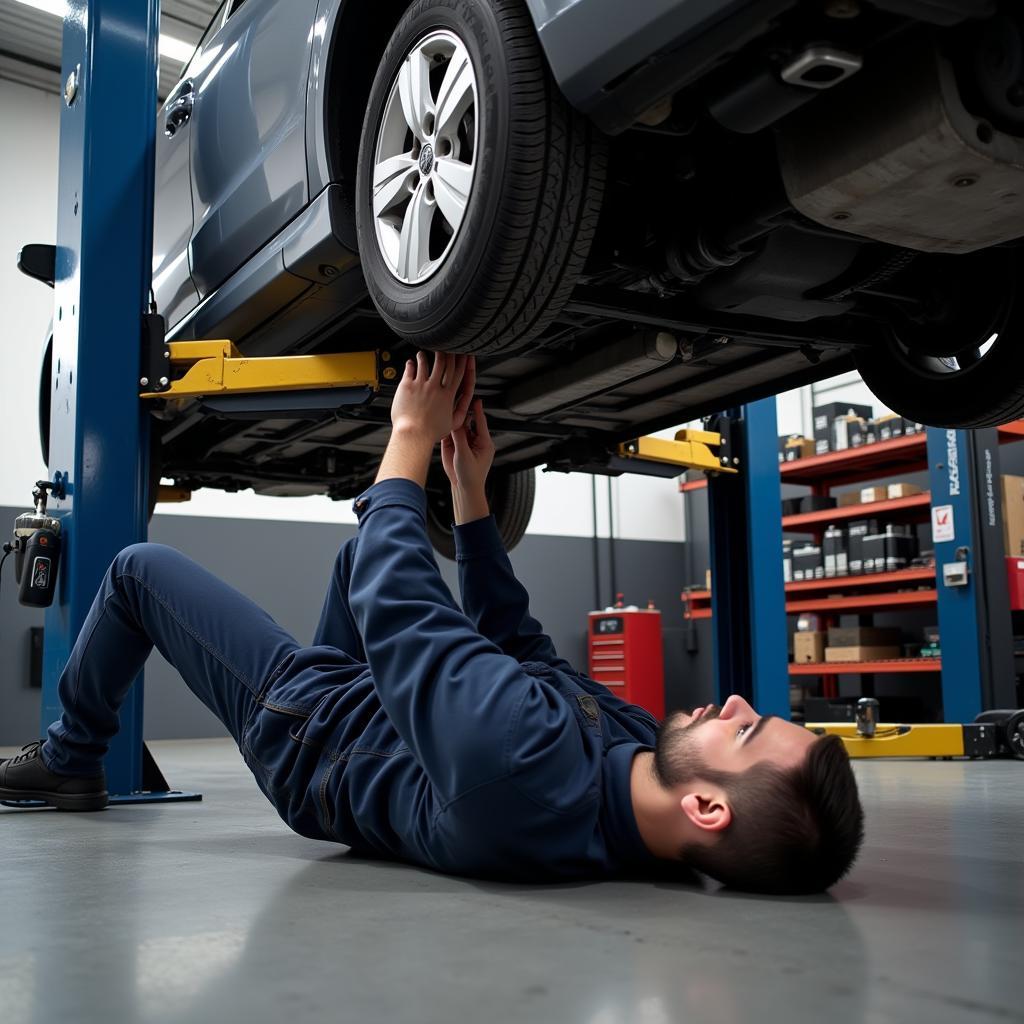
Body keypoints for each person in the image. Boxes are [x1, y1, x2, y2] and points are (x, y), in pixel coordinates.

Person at [0, 352, 863, 894]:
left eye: (748, 734)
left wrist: (408, 441)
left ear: (708, 807)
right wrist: (472, 497)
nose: (741, 702)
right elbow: (520, 648)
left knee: (136, 571)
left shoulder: (519, 775)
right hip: (386, 720)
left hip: (313, 739)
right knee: (359, 559)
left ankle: (71, 759)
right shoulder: (642, 760)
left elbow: (402, 608)